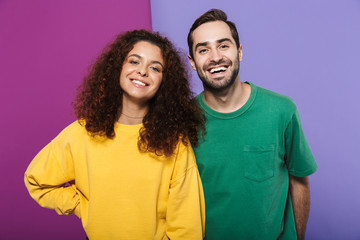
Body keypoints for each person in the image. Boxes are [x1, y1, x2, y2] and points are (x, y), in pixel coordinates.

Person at [24, 30, 205, 240]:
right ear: (118, 67)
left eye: (155, 67)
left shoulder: (175, 144)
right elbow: (36, 180)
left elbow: (187, 227)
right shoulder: (82, 133)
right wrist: (82, 206)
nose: (143, 71)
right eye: (134, 61)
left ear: (165, 82)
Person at [187, 9, 318, 240]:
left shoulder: (281, 110)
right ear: (192, 62)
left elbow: (299, 180)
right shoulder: (182, 119)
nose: (215, 57)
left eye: (224, 45)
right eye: (203, 49)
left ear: (239, 51)